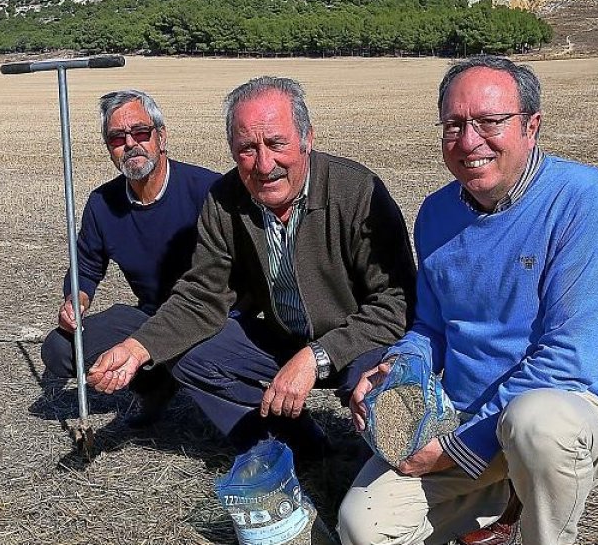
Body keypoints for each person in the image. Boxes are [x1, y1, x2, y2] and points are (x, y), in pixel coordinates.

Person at [338, 56, 598, 545]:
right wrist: (398, 367)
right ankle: (505, 500)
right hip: (463, 414)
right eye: (454, 124)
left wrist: (456, 449)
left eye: (490, 122)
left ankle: (537, 522)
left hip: (566, 415)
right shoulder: (435, 213)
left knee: (536, 424)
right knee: (362, 528)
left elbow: (570, 358)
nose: (469, 141)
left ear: (531, 126)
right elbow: (431, 327)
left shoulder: (585, 199)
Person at [87, 76, 417, 458]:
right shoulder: (224, 200)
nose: (264, 164)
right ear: (230, 149)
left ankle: (390, 468)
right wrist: (137, 348)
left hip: (356, 341)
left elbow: (397, 304)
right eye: (247, 148)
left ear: (307, 138)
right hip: (283, 338)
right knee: (190, 353)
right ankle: (292, 439)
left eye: (276, 143)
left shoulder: (356, 190)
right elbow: (201, 297)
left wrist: (315, 357)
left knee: (380, 391)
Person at [39, 89, 220, 426]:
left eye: (140, 132)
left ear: (161, 136)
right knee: (60, 349)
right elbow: (87, 265)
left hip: (211, 317)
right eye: (117, 137)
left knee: (192, 351)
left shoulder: (209, 191)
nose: (130, 144)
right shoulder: (103, 204)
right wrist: (77, 297)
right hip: (150, 316)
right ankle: (156, 385)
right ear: (109, 148)